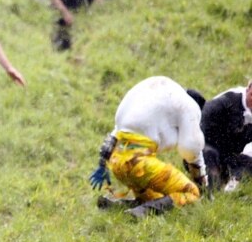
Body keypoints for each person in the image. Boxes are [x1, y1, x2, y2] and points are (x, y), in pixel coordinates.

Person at [89, 76, 207, 219]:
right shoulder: (188, 106)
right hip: (139, 164)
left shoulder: (160, 92)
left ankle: (118, 205)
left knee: (157, 196)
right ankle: (141, 212)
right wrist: (201, 183)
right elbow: (191, 149)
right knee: (192, 193)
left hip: (117, 162)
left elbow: (115, 133)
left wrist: (102, 165)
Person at [200, 81, 252, 192]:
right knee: (209, 154)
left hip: (231, 154)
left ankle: (234, 181)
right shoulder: (226, 101)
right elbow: (203, 126)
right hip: (209, 147)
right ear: (248, 88)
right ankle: (209, 185)